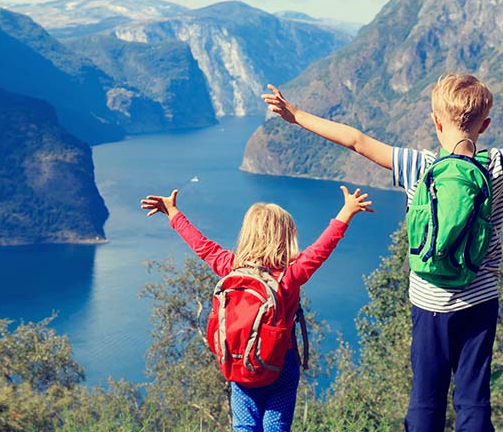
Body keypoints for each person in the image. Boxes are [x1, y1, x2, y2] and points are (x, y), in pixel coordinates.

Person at [261, 61, 503, 431]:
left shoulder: (417, 166)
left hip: (429, 305)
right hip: (480, 302)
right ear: (485, 126)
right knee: (473, 398)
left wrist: (296, 114)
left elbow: (355, 140)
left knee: (426, 398)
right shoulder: (498, 166)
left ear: (436, 121)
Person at [140, 185, 374, 432]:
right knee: (276, 427)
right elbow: (321, 249)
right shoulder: (288, 276)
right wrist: (346, 212)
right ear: (286, 238)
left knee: (245, 426)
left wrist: (174, 213)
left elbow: (202, 246)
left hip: (240, 361)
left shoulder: (231, 268)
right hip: (281, 363)